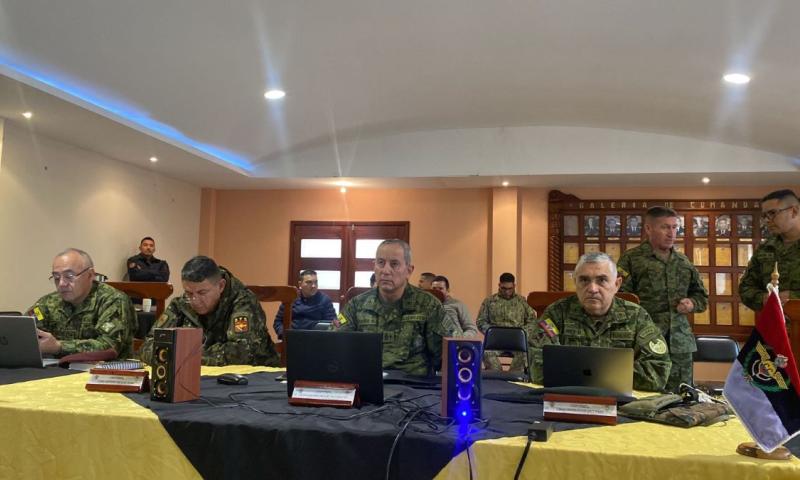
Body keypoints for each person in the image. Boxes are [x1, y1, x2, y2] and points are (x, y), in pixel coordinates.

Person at [529, 253, 671, 391]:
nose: (592, 289)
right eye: (584, 280)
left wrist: (586, 372)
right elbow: (537, 365)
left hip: (622, 405)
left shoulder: (636, 316)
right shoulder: (556, 313)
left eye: (602, 280)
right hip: (569, 400)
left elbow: (658, 371)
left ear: (616, 284)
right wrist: (610, 374)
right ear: (575, 282)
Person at [617, 206, 708, 391]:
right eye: (665, 227)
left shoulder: (683, 262)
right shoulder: (631, 259)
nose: (672, 233)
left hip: (679, 343)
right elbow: (619, 299)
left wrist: (692, 304)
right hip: (644, 341)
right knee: (643, 393)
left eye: (675, 227)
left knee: (681, 397)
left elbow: (701, 296)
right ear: (649, 229)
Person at [140, 256, 279, 366]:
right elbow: (148, 345)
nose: (194, 300)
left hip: (252, 382)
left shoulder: (243, 302)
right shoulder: (181, 304)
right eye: (188, 292)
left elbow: (241, 352)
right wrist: (176, 356)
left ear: (221, 286)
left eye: (202, 292)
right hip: (196, 378)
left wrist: (183, 356)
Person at [333, 239, 444, 376]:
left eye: (394, 264)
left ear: (409, 271)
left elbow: (447, 356)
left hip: (414, 387)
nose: (385, 270)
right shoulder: (356, 305)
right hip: (367, 383)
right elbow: (333, 344)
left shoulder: (428, 305)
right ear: (374, 267)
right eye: (380, 263)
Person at [28, 248, 137, 359]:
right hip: (57, 371)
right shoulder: (47, 303)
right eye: (56, 277)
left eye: (69, 276)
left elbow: (109, 346)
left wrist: (59, 347)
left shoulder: (113, 301)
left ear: (90, 275)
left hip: (108, 373)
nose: (61, 284)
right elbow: (27, 327)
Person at [740, 189, 800, 310]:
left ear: (794, 211)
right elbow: (746, 288)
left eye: (772, 213)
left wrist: (794, 298)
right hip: (774, 325)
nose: (767, 220)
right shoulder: (765, 248)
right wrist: (763, 298)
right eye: (764, 216)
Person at [476, 272, 537, 371]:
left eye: (510, 288)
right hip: (495, 341)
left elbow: (533, 321)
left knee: (526, 353)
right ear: (499, 285)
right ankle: (498, 377)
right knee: (486, 353)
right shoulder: (490, 301)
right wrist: (491, 332)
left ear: (514, 286)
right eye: (504, 288)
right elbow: (480, 321)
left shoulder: (521, 301)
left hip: (517, 341)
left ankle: (513, 378)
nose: (507, 291)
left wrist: (523, 333)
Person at [273, 270, 336, 339]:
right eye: (309, 282)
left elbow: (332, 323)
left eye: (316, 282)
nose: (313, 286)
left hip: (316, 340)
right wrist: (284, 334)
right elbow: (278, 321)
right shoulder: (291, 298)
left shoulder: (324, 300)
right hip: (292, 339)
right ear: (300, 284)